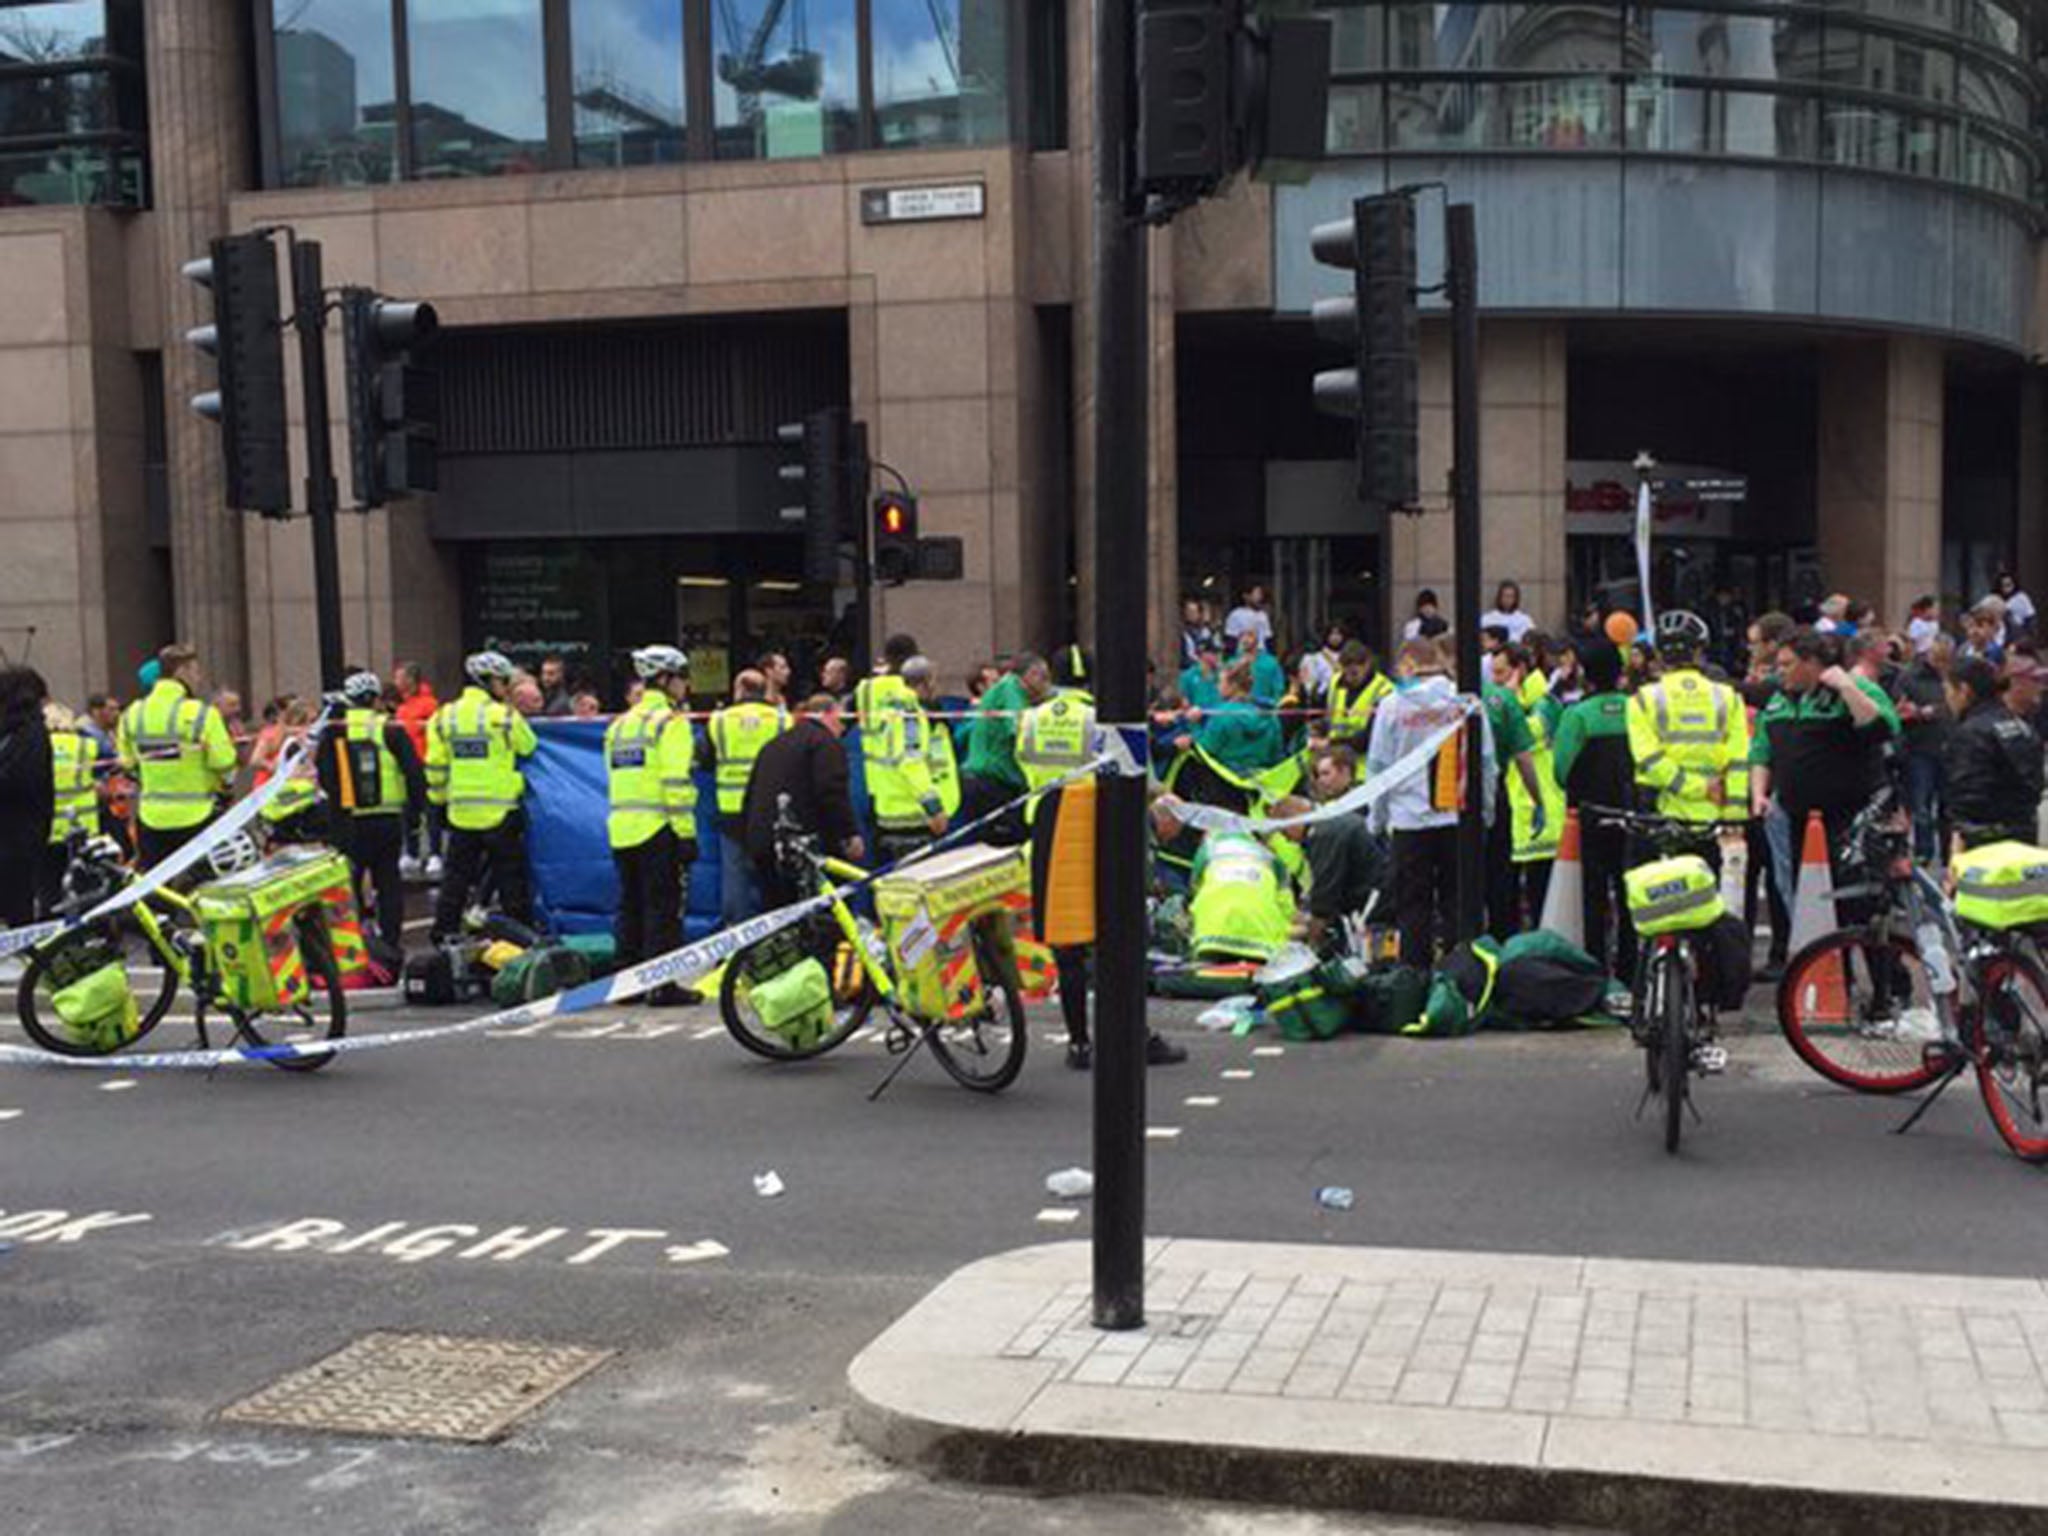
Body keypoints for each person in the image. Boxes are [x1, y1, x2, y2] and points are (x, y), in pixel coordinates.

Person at [1751, 628, 1901, 926]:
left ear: (1811, 663)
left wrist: (1846, 687)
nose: (1781, 672)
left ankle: (1885, 971)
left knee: (1861, 907)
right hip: (1798, 819)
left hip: (1851, 818)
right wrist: (1759, 794)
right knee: (1810, 907)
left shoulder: (1856, 687)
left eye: (1787, 664)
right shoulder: (1779, 700)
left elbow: (1883, 727)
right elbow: (1761, 752)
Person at [1367, 638, 1496, 968]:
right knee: (1457, 902)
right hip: (1457, 816)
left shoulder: (1392, 705)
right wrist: (1486, 809)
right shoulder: (1463, 700)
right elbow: (1486, 760)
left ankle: (1414, 976)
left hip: (1409, 821)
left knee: (1413, 906)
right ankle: (1457, 977)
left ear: (1407, 662)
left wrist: (1377, 819)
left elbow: (1379, 767)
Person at [426, 650, 540, 942]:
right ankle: (520, 938)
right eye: (503, 682)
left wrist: (440, 799)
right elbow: (528, 746)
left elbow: (436, 765)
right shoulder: (503, 716)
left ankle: (443, 933)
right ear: (488, 682)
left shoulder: (444, 716)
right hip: (500, 813)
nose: (506, 688)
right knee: (511, 882)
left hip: (461, 813)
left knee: (456, 880)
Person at [606, 646, 699, 997]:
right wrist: (686, 834)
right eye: (681, 677)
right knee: (663, 910)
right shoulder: (670, 724)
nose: (686, 685)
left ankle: (625, 985)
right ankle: (662, 986)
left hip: (622, 829)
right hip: (660, 829)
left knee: (629, 907)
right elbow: (675, 783)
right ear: (665, 679)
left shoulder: (620, 725)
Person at [1626, 611, 1750, 866]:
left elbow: (1648, 759)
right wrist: (1734, 814)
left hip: (1660, 813)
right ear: (1699, 651)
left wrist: (1692, 786)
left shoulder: (1642, 699)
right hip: (1714, 815)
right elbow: (1739, 760)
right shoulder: (1728, 697)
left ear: (1658, 655)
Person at [320, 671, 427, 953]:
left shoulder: (334, 729)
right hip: (387, 817)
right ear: (376, 699)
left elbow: (325, 773)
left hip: (348, 819)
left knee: (350, 882)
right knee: (388, 881)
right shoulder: (390, 728)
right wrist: (417, 812)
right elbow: (414, 771)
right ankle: (390, 942)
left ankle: (351, 943)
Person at [1551, 639, 1636, 979]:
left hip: (1591, 814)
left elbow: (1561, 769)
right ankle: (1631, 966)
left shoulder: (1577, 715)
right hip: (1632, 815)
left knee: (1594, 893)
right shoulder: (1636, 709)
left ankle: (1597, 964)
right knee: (1631, 889)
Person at [118, 644, 237, 869]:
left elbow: (127, 763)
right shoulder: (202, 713)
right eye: (196, 671)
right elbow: (224, 762)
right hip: (198, 816)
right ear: (182, 671)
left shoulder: (132, 714)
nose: (199, 678)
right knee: (201, 887)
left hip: (151, 817)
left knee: (157, 890)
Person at [742, 694, 862, 909]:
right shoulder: (824, 744)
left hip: (763, 842)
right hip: (801, 847)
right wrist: (848, 834)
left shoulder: (773, 744)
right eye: (840, 720)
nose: (843, 729)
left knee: (779, 914)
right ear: (829, 714)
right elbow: (831, 793)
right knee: (828, 911)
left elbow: (749, 795)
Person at [1279, 746, 1382, 955]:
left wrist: (1310, 950)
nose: (1285, 839)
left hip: (1372, 908)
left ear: (1294, 820)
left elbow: (1325, 899)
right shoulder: (1330, 822)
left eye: (1283, 831)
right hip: (1370, 899)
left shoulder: (1325, 832)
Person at [707, 669, 788, 927]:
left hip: (731, 810)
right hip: (769, 809)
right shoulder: (780, 720)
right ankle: (775, 931)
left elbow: (704, 759)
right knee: (772, 875)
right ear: (764, 690)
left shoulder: (719, 720)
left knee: (735, 879)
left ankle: (736, 938)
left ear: (739, 690)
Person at [1494, 642, 1565, 924]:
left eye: (1501, 673)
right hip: (1515, 808)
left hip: (1542, 810)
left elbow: (1523, 735)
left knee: (1541, 903)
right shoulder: (1514, 703)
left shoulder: (1546, 703)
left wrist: (1507, 702)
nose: (1495, 681)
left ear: (1520, 670)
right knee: (1506, 897)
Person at [1941, 657, 2042, 852]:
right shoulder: (2021, 725)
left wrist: (1957, 846)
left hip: (1983, 842)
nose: (1946, 698)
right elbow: (2035, 783)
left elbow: (1966, 800)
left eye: (1948, 690)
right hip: (2024, 835)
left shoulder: (1970, 733)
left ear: (1964, 690)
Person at [865, 652, 949, 867]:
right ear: (926, 682)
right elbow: (911, 762)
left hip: (886, 813)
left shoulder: (883, 710)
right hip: (910, 816)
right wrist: (933, 807)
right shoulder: (909, 715)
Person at [961, 651, 1049, 829]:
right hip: (993, 782)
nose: (1048, 684)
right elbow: (1020, 730)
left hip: (981, 779)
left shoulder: (1002, 689)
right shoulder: (1012, 689)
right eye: (1044, 677)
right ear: (1031, 675)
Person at [1893, 634, 1953, 864]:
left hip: (1949, 747)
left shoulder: (1952, 677)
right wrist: (1915, 713)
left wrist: (1933, 711)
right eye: (1938, 659)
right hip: (1920, 747)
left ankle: (1949, 852)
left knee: (1948, 806)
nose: (1941, 664)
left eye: (1945, 660)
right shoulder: (1910, 677)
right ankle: (1923, 852)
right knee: (1921, 804)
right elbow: (1899, 706)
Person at [0, 667, 52, 931]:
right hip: (22, 831)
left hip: (17, 833)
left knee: (18, 905)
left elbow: (19, 777)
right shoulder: (25, 731)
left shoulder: (27, 732)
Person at [40, 700, 96, 916]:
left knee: (49, 887)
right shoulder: (85, 746)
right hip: (82, 827)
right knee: (85, 886)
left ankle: (50, 934)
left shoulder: (39, 746)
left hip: (49, 828)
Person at [392, 661, 443, 879]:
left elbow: (434, 728)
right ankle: (411, 852)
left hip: (425, 763)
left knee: (430, 811)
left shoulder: (429, 704)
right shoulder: (402, 707)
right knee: (409, 811)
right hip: (406, 764)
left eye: (399, 677)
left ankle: (435, 853)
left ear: (410, 680)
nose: (395, 682)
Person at [1194, 660, 1282, 774]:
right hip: (1261, 782)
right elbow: (1276, 755)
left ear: (1233, 686)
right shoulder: (1269, 716)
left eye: (1220, 682)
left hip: (1225, 780)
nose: (1217, 687)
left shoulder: (1223, 715)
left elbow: (1204, 752)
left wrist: (1197, 727)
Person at [1322, 640, 1392, 756]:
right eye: (1345, 672)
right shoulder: (1335, 682)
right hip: (1337, 762)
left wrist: (1329, 744)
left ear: (1367, 665)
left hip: (1367, 763)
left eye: (1354, 673)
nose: (1349, 678)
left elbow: (1372, 737)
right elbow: (1326, 718)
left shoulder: (1384, 690)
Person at [1232, 624, 1286, 708]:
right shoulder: (1232, 663)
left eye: (1250, 635)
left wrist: (1257, 700)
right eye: (1242, 635)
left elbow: (1278, 693)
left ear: (1257, 639)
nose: (1245, 639)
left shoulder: (1271, 663)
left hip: (1263, 715)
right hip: (1238, 715)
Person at [1480, 580, 1536, 645]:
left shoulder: (1525, 619)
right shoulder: (1487, 618)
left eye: (1511, 596)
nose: (1508, 600)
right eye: (1505, 596)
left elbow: (1531, 640)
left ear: (1516, 598)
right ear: (1499, 597)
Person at [1223, 584, 1273, 653]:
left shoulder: (1263, 615)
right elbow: (1231, 639)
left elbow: (1268, 639)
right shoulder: (1236, 614)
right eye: (1257, 593)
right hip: (1243, 655)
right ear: (1246, 596)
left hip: (1262, 655)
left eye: (1261, 594)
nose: (1260, 597)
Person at [1995, 570, 2036, 644]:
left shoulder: (2020, 597)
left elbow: (2031, 618)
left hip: (2020, 633)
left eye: (2009, 585)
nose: (2007, 589)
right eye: (2003, 586)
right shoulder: (1999, 599)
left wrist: (2028, 636)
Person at [1179, 598, 1217, 669]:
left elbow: (1212, 650)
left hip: (1203, 669)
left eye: (1193, 612)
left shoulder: (1205, 632)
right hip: (1187, 668)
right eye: (1188, 611)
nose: (1190, 614)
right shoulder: (1181, 632)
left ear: (1199, 614)